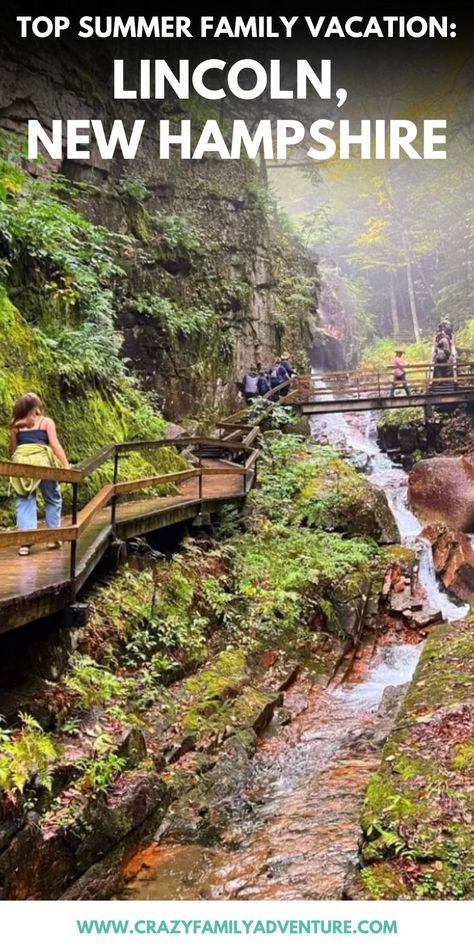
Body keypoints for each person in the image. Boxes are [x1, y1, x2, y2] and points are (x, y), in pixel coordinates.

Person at [9, 393, 69, 556]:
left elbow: (13, 450)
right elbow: (54, 444)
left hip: (22, 463)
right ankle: (53, 537)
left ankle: (25, 543)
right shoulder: (46, 422)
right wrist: (65, 466)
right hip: (43, 462)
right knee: (52, 498)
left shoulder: (16, 425)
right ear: (36, 407)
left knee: (25, 499)